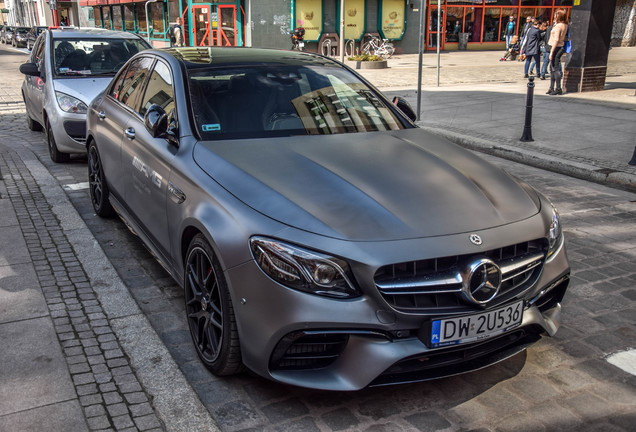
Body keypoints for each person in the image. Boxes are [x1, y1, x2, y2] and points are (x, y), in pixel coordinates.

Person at [547, 10, 568, 95]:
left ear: (558, 16)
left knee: (555, 69)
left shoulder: (559, 26)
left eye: (555, 15)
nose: (554, 16)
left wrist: (552, 52)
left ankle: (558, 88)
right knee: (552, 68)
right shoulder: (564, 25)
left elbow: (556, 39)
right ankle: (551, 87)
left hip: (556, 47)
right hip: (559, 47)